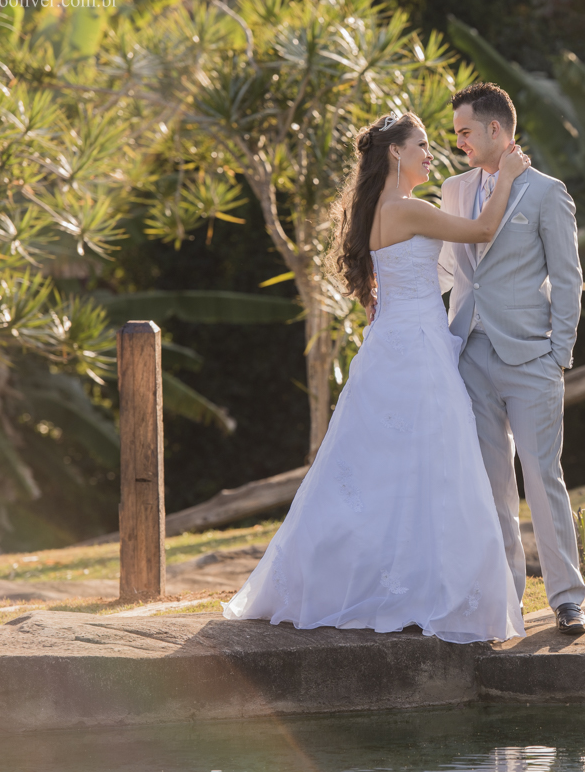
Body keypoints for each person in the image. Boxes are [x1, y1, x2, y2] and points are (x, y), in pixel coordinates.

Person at [222, 112, 531, 644]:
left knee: (374, 467)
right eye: (422, 145)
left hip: (390, 342)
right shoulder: (410, 210)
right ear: (395, 153)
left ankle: (365, 577)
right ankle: (425, 587)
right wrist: (506, 177)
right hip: (419, 348)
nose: (431, 153)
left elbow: (391, 283)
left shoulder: (373, 214)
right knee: (435, 464)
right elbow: (482, 230)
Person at [437, 83, 585, 635]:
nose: (458, 143)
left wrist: (559, 356)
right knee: (490, 485)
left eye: (464, 132)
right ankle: (504, 602)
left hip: (532, 359)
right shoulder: (454, 190)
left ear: (496, 131)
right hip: (470, 355)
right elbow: (451, 269)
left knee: (543, 477)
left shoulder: (547, 193)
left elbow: (570, 280)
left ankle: (568, 597)